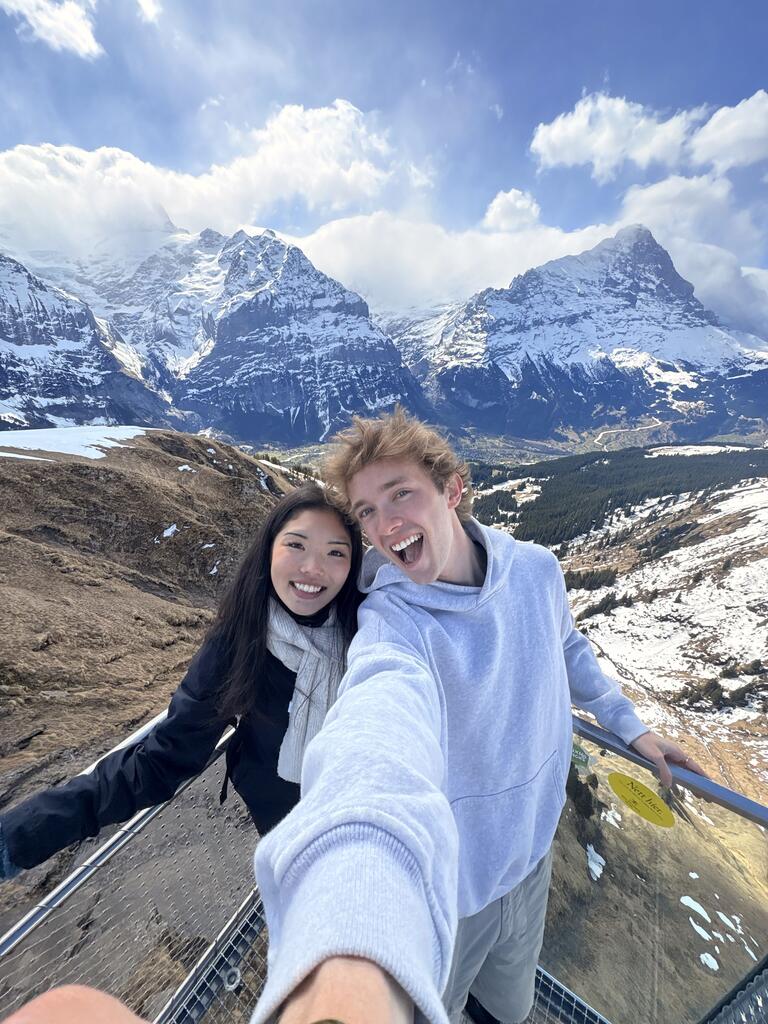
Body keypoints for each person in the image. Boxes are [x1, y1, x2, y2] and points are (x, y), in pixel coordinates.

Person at [245, 408, 706, 1024]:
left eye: (400, 493)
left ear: (452, 490)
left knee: (508, 1010)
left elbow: (567, 646)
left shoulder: (535, 570)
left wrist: (630, 726)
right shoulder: (393, 622)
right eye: (367, 511)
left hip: (531, 852)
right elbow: (376, 722)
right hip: (452, 887)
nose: (385, 524)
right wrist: (347, 915)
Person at [0, 482, 363, 881]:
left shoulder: (372, 629)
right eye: (296, 545)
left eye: (335, 552)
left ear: (354, 565)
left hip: (370, 819)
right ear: (269, 549)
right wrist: (18, 836)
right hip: (286, 830)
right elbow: (163, 758)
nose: (313, 568)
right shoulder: (240, 639)